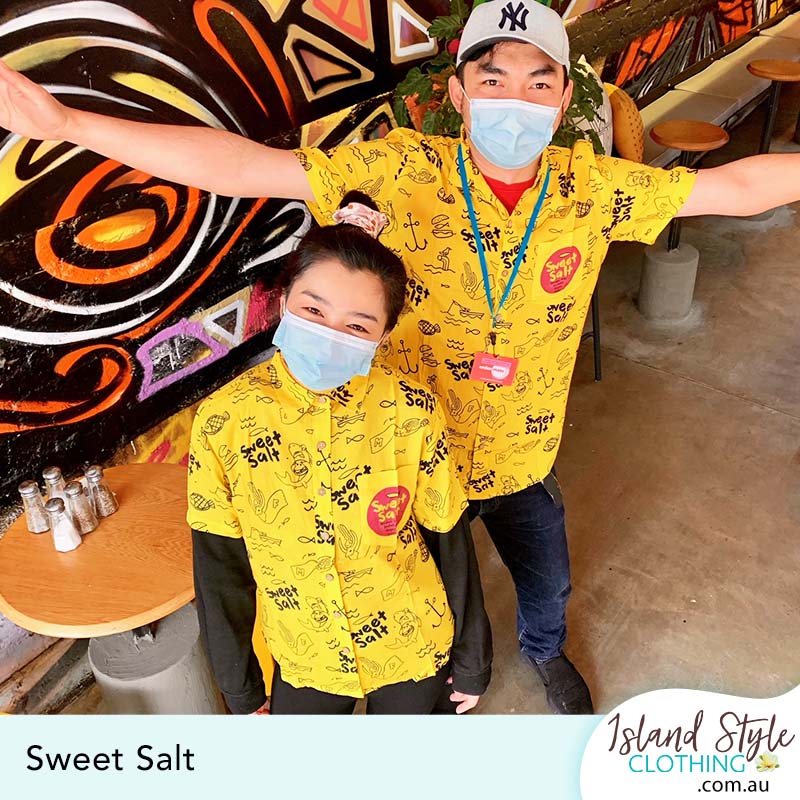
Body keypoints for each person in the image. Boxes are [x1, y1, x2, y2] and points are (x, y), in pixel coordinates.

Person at [2, 0, 799, 714]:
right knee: (418, 593)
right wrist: (72, 125)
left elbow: (733, 189)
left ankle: (546, 653)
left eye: (537, 84)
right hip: (401, 452)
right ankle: (441, 675)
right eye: (493, 80)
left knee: (546, 580)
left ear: (564, 100)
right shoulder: (399, 169)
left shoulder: (593, 189)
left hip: (522, 453)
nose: (514, 101)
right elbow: (245, 167)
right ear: (459, 94)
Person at [188, 191, 492, 714]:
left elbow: (449, 538)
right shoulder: (223, 420)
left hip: (410, 638)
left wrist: (473, 658)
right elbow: (219, 567)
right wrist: (240, 687)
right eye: (313, 309)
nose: (330, 335)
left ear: (383, 335)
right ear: (283, 301)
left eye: (357, 325)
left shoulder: (412, 410)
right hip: (304, 652)